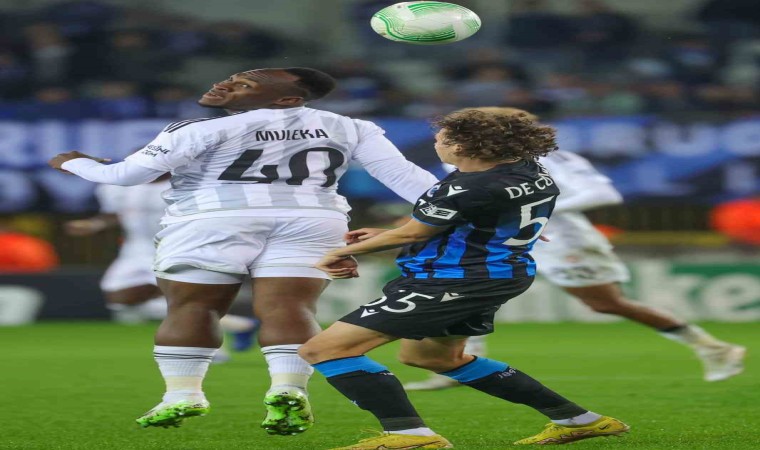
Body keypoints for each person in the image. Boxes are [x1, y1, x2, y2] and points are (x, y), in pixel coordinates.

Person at [48, 67, 439, 434]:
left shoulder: (198, 129)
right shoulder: (351, 126)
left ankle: (183, 394)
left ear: (287, 99)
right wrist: (455, 206)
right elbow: (406, 178)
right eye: (232, 79)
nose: (225, 84)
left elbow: (125, 175)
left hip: (214, 219)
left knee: (193, 306)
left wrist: (75, 163)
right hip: (312, 220)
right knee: (290, 307)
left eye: (245, 85)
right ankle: (289, 388)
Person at [299, 109, 630, 448]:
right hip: (497, 272)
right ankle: (579, 420)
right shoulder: (531, 171)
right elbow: (471, 222)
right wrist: (388, 234)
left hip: (452, 280)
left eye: (440, 140)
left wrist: (341, 252)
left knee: (324, 349)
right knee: (432, 358)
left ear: (461, 146)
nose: (436, 145)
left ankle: (409, 435)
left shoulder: (467, 187)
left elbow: (413, 233)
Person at [404, 107, 746, 391]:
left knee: (606, 303)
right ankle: (454, 365)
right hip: (506, 239)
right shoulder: (463, 161)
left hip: (562, 240)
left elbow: (603, 194)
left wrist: (534, 209)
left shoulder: (548, 159)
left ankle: (713, 347)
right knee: (468, 289)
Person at [63, 175, 258, 352]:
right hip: (135, 249)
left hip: (174, 246)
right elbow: (116, 214)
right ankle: (237, 325)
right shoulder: (119, 186)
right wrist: (94, 225)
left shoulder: (189, 184)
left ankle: (210, 347)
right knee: (119, 298)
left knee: (179, 298)